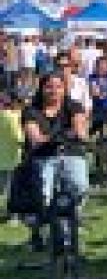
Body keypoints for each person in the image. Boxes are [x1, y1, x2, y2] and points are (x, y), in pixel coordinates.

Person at [21, 72, 90, 251]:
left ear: (64, 89)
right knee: (44, 192)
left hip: (71, 153)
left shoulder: (74, 106)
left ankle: (73, 222)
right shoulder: (31, 111)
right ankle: (43, 228)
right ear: (42, 89)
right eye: (49, 87)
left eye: (58, 87)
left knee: (79, 185)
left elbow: (80, 131)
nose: (54, 91)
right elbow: (34, 137)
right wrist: (54, 138)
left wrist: (74, 134)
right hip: (43, 156)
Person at [87, 55, 107, 136]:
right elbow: (93, 92)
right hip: (97, 108)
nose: (100, 67)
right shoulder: (92, 77)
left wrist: (104, 92)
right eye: (98, 65)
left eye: (103, 65)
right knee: (95, 129)